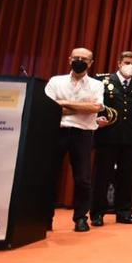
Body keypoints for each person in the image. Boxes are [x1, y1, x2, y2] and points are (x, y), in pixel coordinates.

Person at [44, 47, 105, 232]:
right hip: (57, 131)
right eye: (76, 57)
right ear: (69, 58)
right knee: (49, 177)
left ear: (91, 63)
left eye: (84, 59)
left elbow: (96, 108)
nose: (79, 60)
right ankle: (45, 217)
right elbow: (48, 107)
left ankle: (80, 218)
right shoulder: (56, 81)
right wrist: (80, 107)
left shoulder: (96, 84)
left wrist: (62, 103)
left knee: (83, 179)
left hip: (83, 134)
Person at [90, 51, 132, 226]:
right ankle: (97, 213)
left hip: (130, 139)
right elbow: (95, 104)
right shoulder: (102, 81)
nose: (130, 66)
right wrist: (96, 119)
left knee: (127, 177)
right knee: (102, 176)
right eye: (127, 62)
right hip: (107, 137)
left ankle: (123, 211)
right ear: (119, 63)